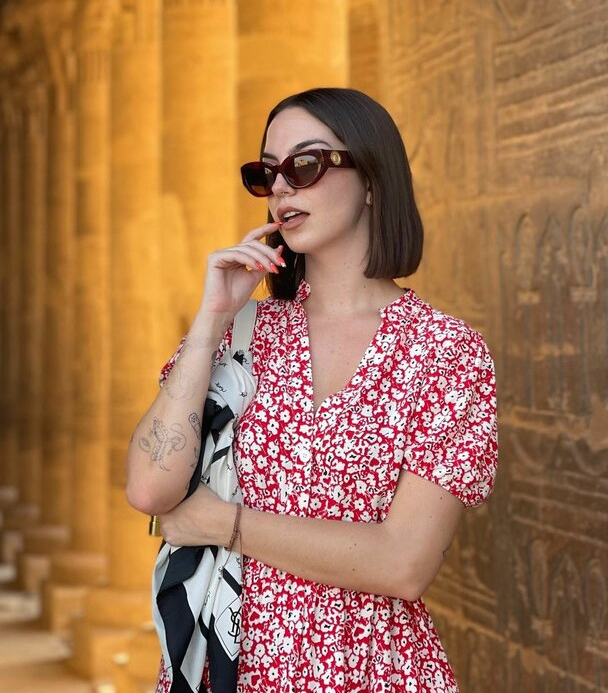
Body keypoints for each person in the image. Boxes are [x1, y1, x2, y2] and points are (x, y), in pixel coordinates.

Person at [126, 87, 498, 693]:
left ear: (371, 179)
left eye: (305, 164)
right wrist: (212, 318)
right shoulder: (244, 331)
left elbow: (403, 563)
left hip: (374, 675)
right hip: (229, 672)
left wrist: (222, 522)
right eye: (267, 172)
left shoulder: (444, 351)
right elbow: (149, 488)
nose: (280, 188)